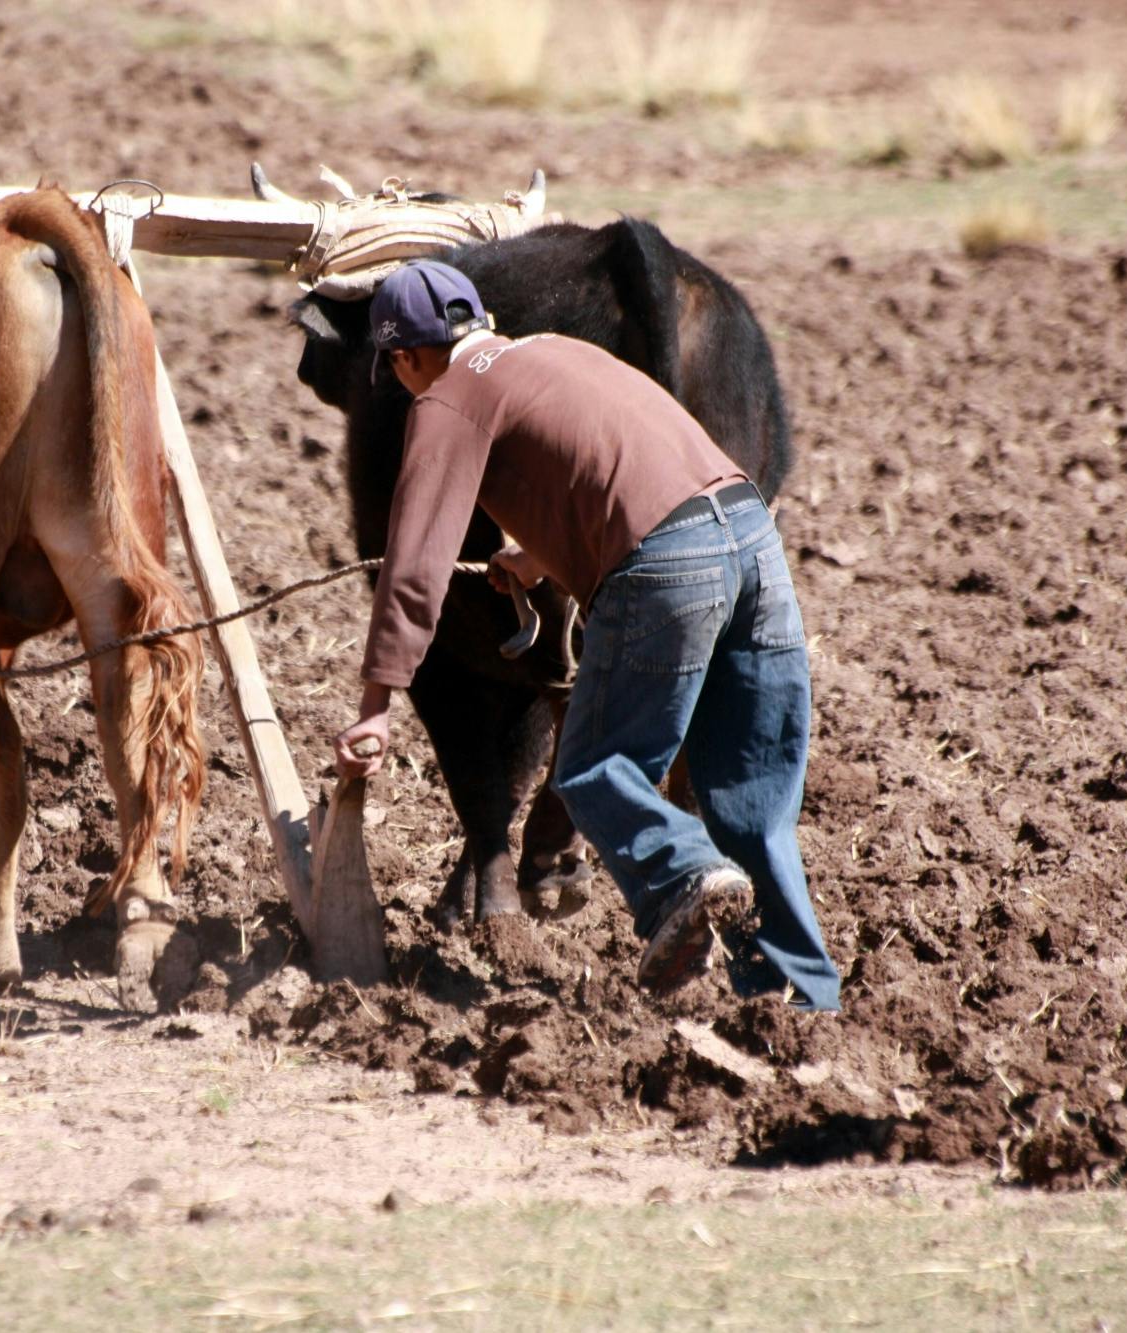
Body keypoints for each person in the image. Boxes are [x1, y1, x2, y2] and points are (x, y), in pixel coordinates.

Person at [333, 259, 840, 1010]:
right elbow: (623, 464)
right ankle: (799, 1003)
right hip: (752, 542)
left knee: (595, 767)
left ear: (407, 356)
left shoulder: (447, 395)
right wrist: (536, 558)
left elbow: (414, 566)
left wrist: (376, 705)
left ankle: (683, 876)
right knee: (749, 795)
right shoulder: (558, 353)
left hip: (668, 566)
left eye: (399, 370)